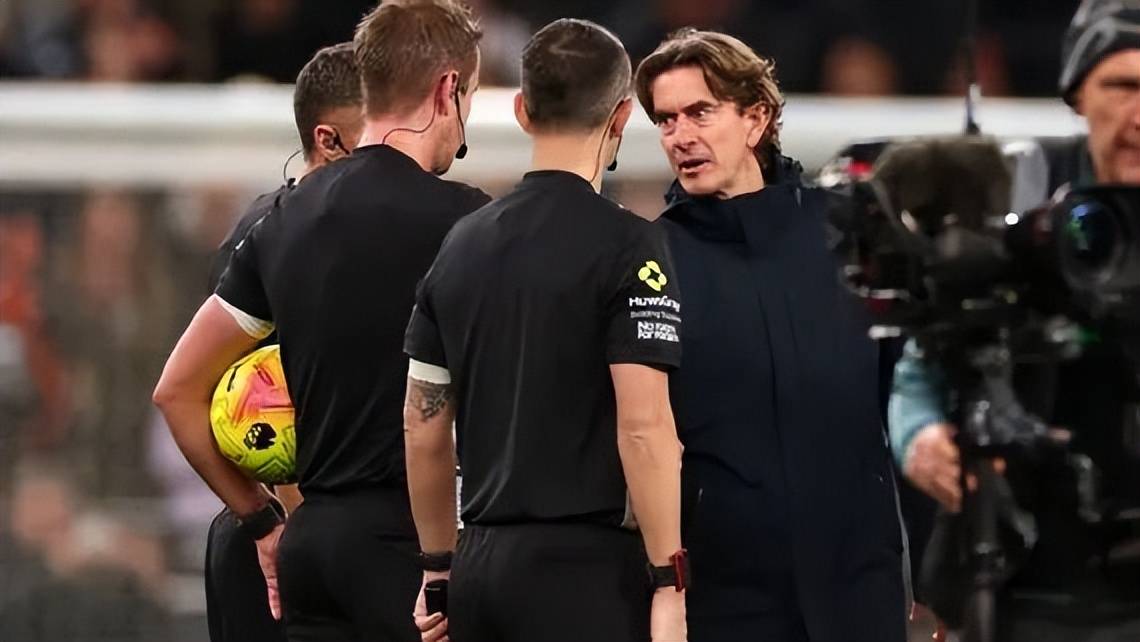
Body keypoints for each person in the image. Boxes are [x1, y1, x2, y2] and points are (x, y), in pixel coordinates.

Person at [151, 2, 489, 640]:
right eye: (468, 97)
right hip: (410, 550)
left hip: (311, 550)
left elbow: (176, 391)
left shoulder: (279, 221)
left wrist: (260, 521)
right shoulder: (468, 225)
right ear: (448, 90)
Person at [402, 18, 687, 642]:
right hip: (586, 575)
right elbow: (644, 427)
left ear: (523, 111)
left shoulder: (461, 244)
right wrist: (670, 581)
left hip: (480, 568)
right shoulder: (631, 245)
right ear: (621, 116)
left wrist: (438, 568)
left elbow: (422, 427)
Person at [634, 29, 907, 642]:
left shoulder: (845, 236)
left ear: (755, 118)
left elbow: (903, 397)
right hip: (725, 597)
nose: (680, 136)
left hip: (859, 586)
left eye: (700, 112)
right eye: (666, 120)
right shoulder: (653, 258)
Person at [889, 1, 1140, 639]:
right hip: (1029, 574)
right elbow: (923, 364)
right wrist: (920, 438)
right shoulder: (1021, 190)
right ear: (1077, 95)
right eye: (1123, 86)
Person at [201, 41, 363, 642]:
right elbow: (263, 405)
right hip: (285, 542)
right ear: (328, 139)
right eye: (373, 134)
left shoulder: (285, 229)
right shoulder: (276, 240)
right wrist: (282, 527)